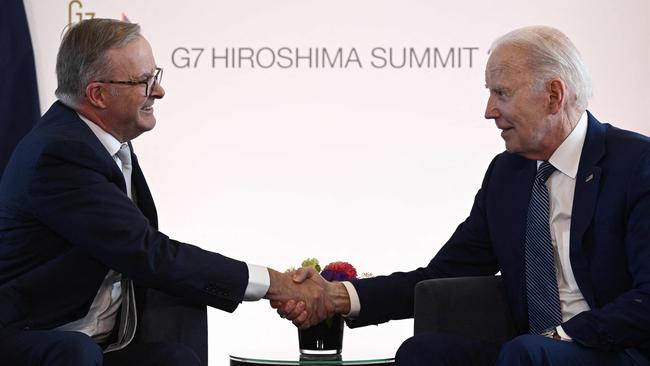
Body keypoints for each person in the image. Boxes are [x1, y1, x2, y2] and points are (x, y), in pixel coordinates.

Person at [276, 26, 650, 366]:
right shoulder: (508, 175)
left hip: (616, 349)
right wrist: (339, 295)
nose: (489, 111)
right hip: (529, 352)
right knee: (422, 352)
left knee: (528, 352)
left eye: (501, 93)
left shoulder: (637, 165)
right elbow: (443, 273)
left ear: (553, 96)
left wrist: (559, 338)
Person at [0, 18, 332, 366]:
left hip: (99, 343)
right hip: (29, 336)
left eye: (155, 76)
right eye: (144, 82)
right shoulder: (59, 152)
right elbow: (146, 252)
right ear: (98, 94)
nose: (158, 92)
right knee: (75, 352)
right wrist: (273, 283)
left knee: (174, 359)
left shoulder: (104, 143)